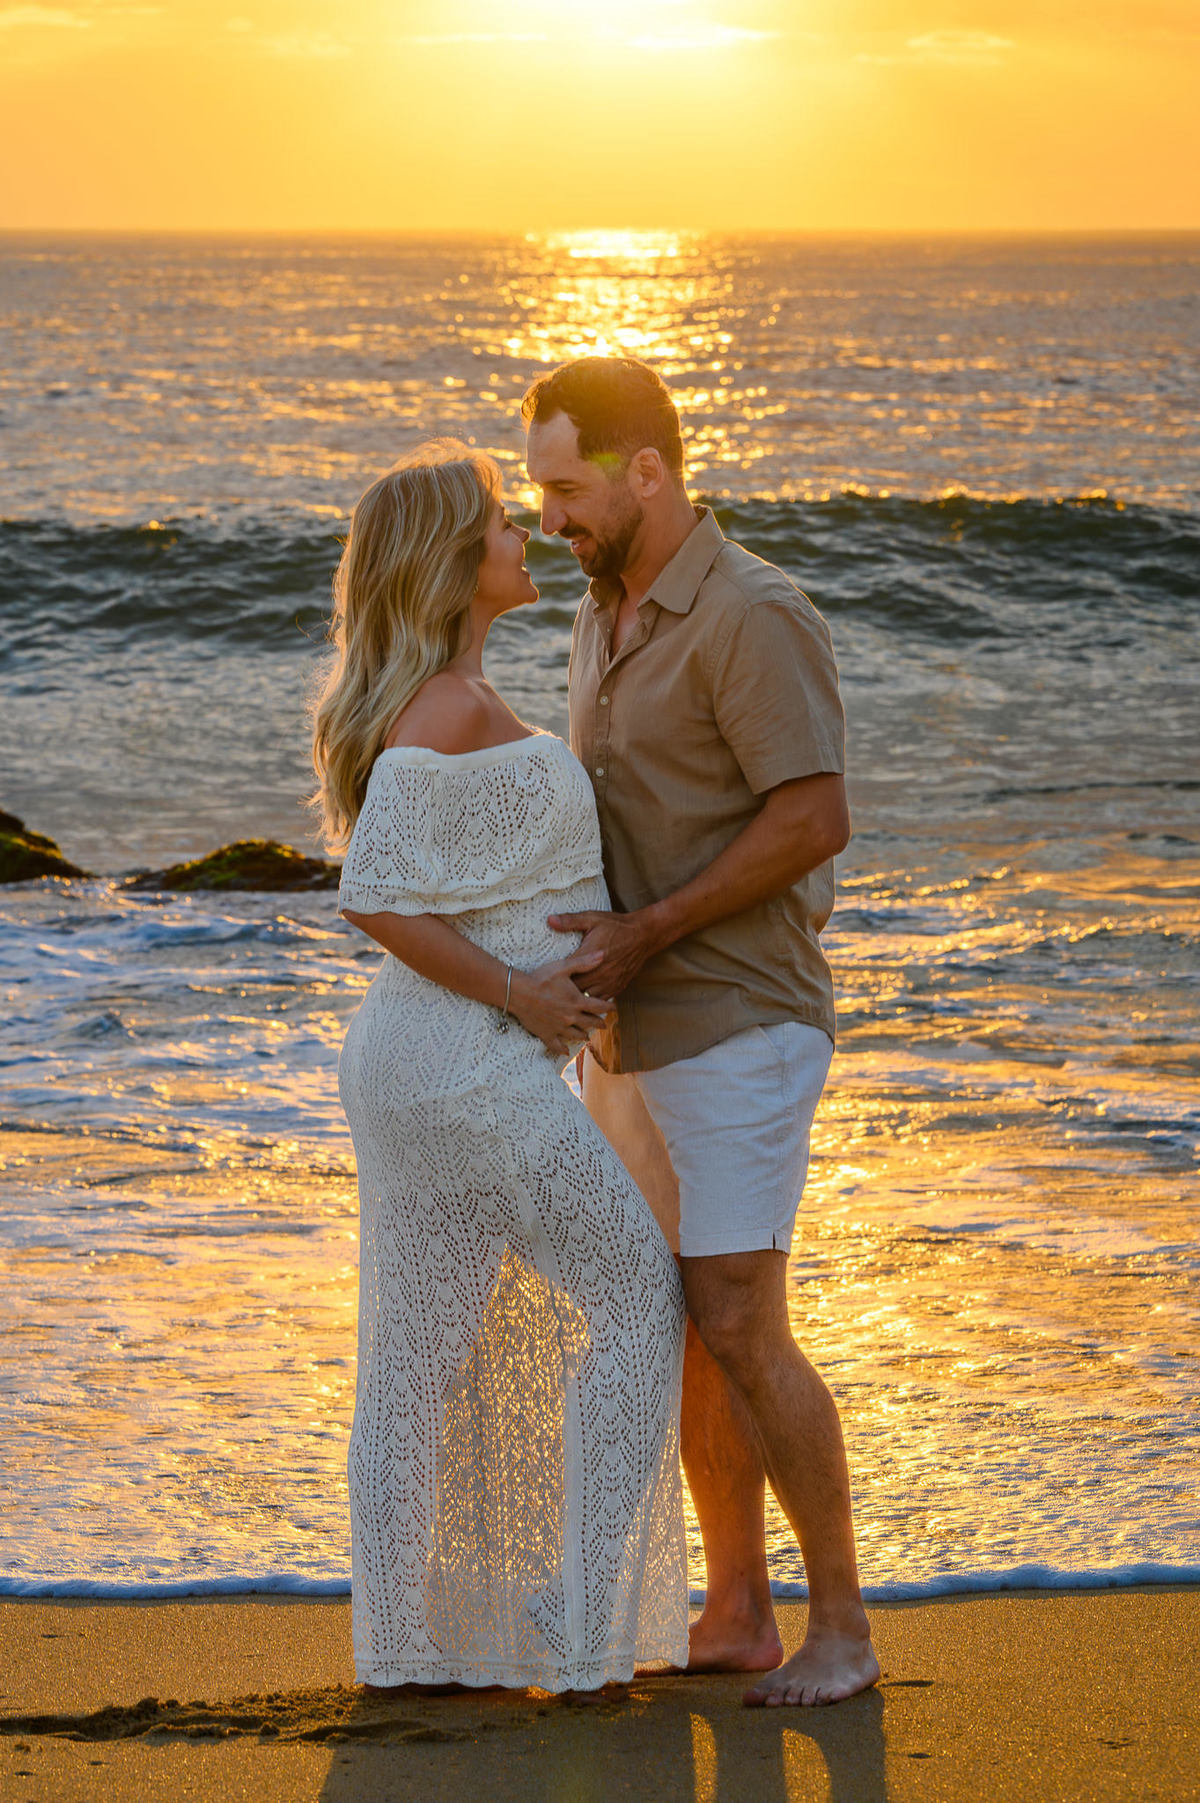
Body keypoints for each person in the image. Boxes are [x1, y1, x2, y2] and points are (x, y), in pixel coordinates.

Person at [523, 358, 881, 1708]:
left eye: (567, 486)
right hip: (629, 1025)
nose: (551, 514)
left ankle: (841, 1622)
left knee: (739, 1307)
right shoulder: (599, 613)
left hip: (739, 1012)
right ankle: (735, 1606)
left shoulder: (753, 612)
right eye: (542, 490)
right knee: (671, 1314)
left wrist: (647, 928)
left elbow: (812, 817)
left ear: (647, 471)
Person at [312, 440, 687, 1692]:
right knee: (642, 1303)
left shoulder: (447, 697)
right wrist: (525, 994)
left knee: (412, 1365)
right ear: (452, 564)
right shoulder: (451, 710)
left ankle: (403, 1648)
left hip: (416, 1063)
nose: (523, 531)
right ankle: (570, 1613)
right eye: (497, 523)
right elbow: (374, 890)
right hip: (467, 1064)